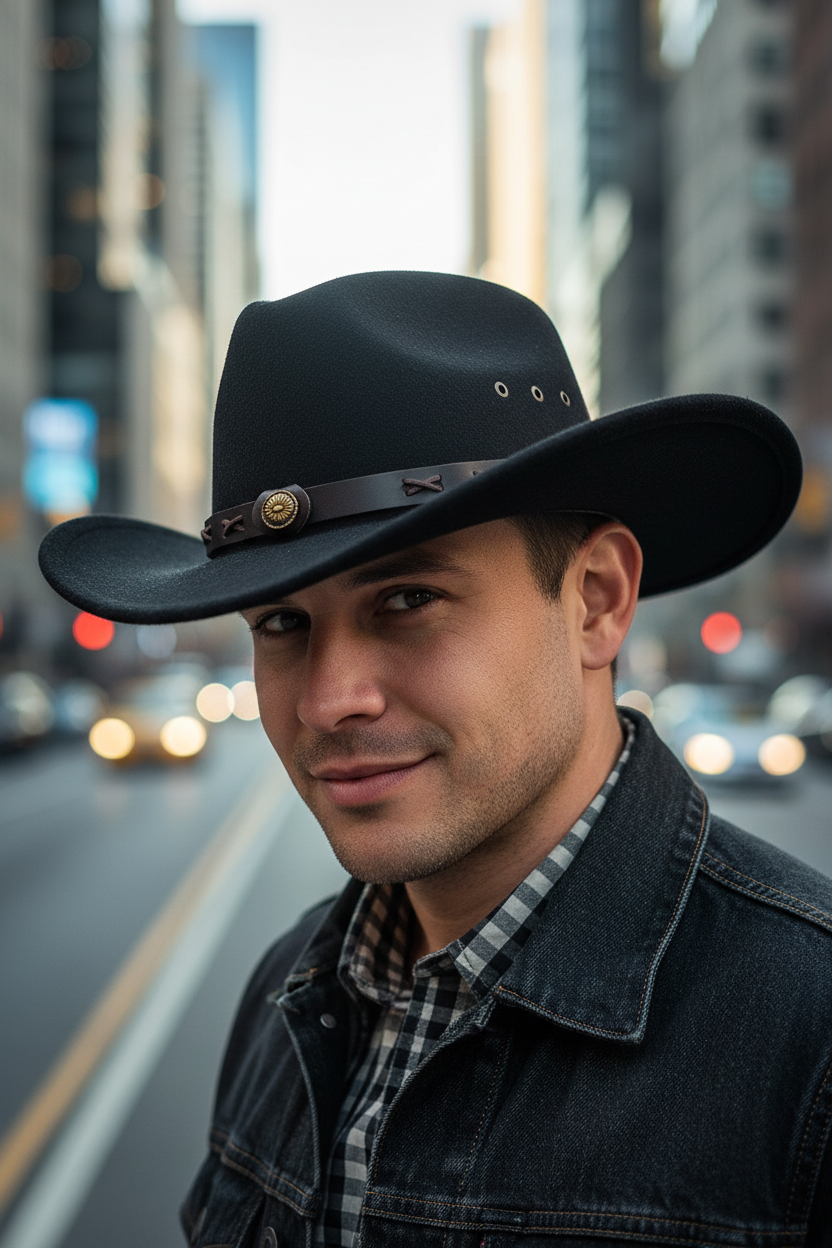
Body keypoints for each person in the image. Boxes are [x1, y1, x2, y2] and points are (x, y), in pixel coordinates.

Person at [40, 271, 832, 1247]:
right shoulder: (285, 997)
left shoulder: (810, 1046)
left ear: (594, 601)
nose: (331, 699)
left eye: (406, 601)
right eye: (283, 622)